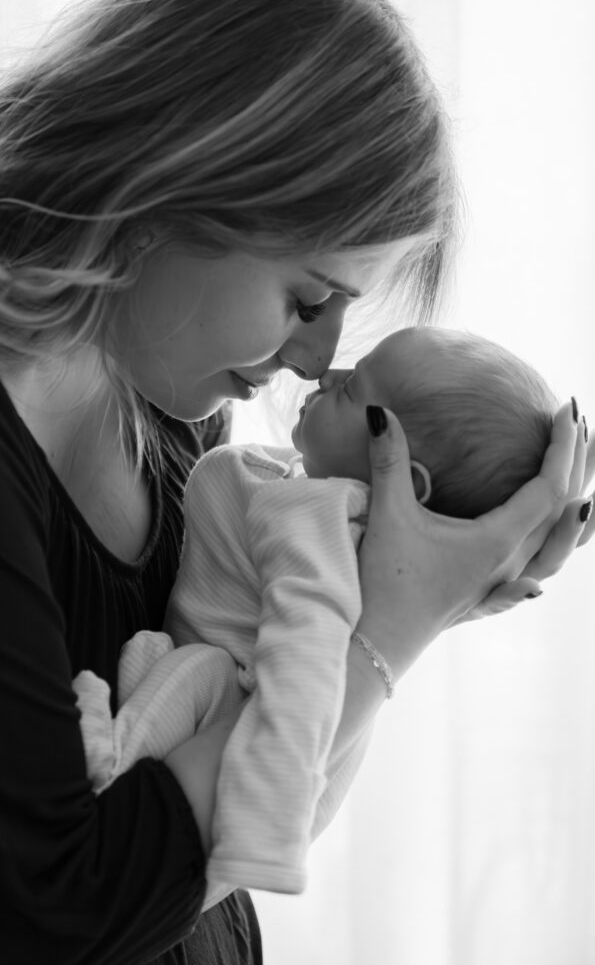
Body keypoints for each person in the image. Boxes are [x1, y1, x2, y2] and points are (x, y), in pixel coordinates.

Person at [0, 0, 591, 962]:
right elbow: (54, 909)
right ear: (178, 185)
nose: (318, 359)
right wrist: (382, 638)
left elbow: (237, 833)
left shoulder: (177, 414)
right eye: (308, 299)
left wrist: (409, 582)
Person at [72, 324, 581, 906]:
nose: (326, 374)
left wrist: (268, 822)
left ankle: (108, 760)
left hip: (258, 723)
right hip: (302, 747)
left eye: (352, 390)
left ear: (403, 483)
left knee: (194, 671)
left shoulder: (320, 516)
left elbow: (306, 642)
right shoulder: (334, 508)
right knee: (154, 659)